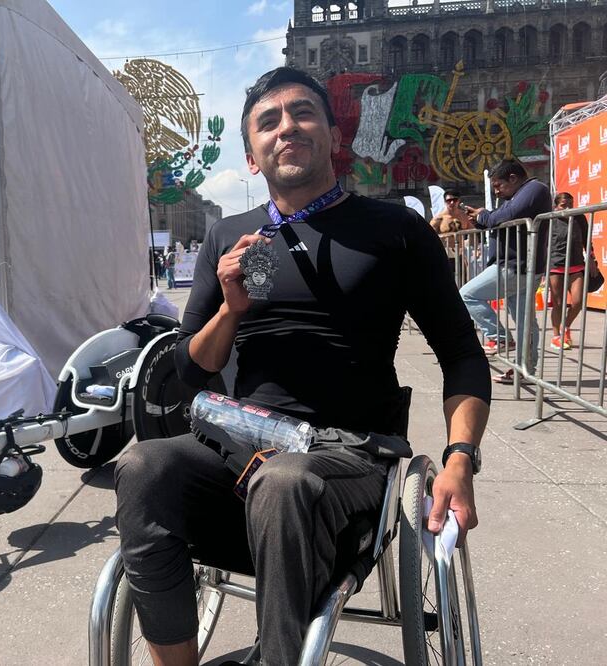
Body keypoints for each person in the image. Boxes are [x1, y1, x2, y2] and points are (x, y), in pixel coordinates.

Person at [114, 67, 491, 666]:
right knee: (142, 466)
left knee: (285, 480)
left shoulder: (393, 229)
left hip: (347, 455)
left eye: (302, 112)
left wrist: (460, 460)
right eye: (269, 121)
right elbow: (189, 368)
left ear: (334, 137)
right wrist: (230, 310)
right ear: (252, 156)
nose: (286, 126)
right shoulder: (230, 237)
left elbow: (462, 355)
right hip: (235, 449)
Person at [462, 159, 551, 384]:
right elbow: (498, 220)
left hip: (515, 266)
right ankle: (525, 369)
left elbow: (503, 217)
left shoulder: (534, 190)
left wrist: (484, 216)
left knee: (467, 294)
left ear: (513, 178)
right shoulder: (517, 195)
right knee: (525, 321)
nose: (497, 191)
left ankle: (499, 338)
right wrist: (482, 220)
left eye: (498, 185)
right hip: (516, 265)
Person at [547, 192, 590, 350]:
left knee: (578, 302)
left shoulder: (579, 217)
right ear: (556, 206)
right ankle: (556, 336)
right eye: (563, 205)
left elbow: (587, 239)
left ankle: (565, 327)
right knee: (558, 303)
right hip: (555, 265)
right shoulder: (550, 219)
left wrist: (592, 260)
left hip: (576, 264)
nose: (568, 208)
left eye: (570, 205)